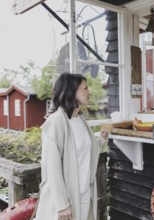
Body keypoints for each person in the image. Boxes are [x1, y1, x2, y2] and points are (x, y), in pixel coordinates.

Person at [35, 73, 108, 220]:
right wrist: (62, 204)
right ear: (71, 90)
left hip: (84, 193)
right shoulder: (55, 123)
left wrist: (100, 139)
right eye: (85, 88)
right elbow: (52, 167)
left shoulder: (80, 119)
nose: (89, 92)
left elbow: (82, 151)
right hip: (66, 200)